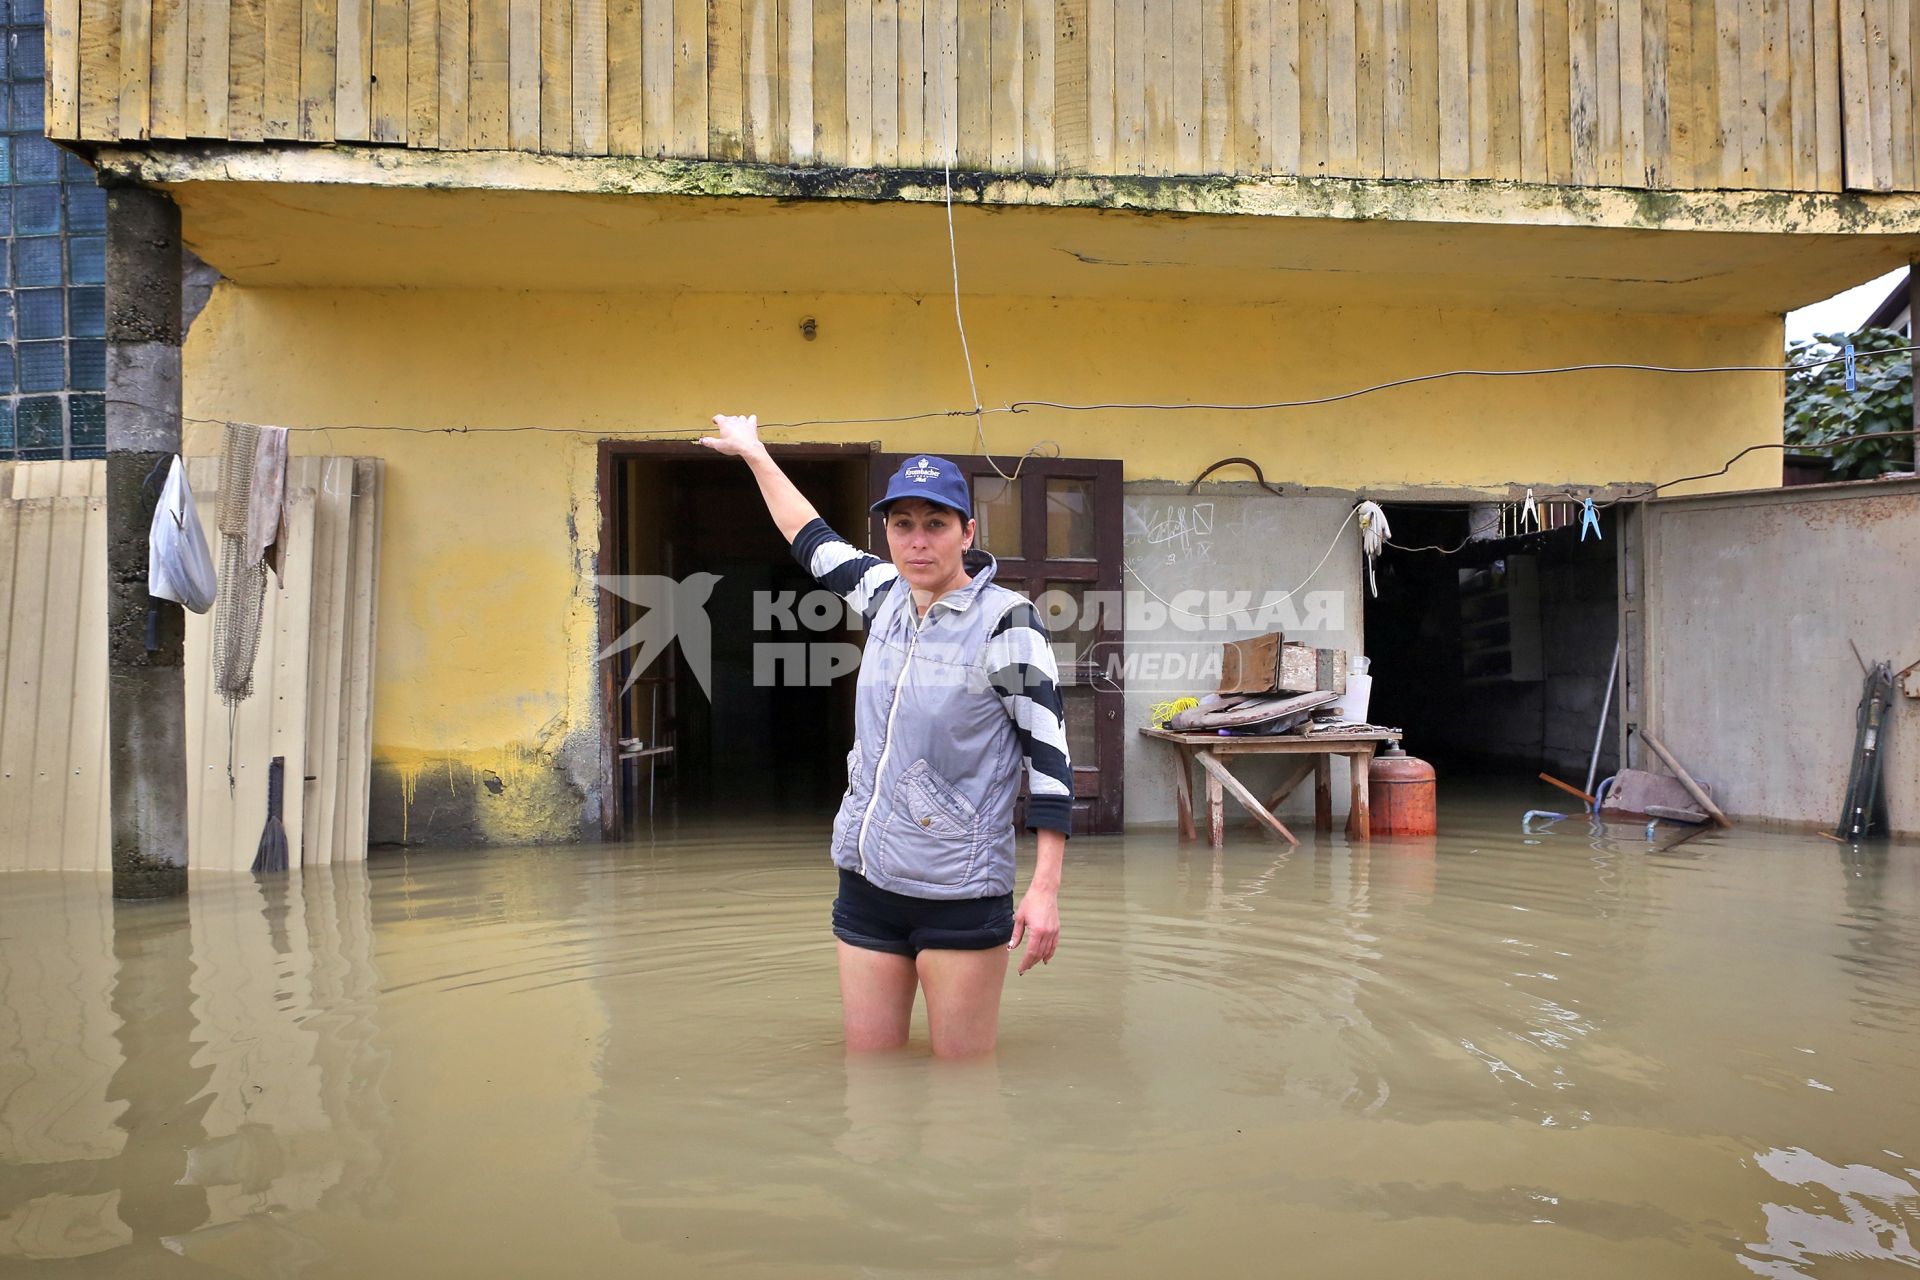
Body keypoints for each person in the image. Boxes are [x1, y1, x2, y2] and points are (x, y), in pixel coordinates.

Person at [699, 414, 1072, 1058]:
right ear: (888, 535)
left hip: (957, 889)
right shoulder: (883, 594)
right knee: (869, 1084)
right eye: (903, 525)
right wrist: (755, 454)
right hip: (867, 883)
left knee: (963, 1090)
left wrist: (1043, 890)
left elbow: (1050, 757)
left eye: (936, 524)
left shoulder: (1007, 622)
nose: (918, 542)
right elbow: (808, 537)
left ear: (967, 533)